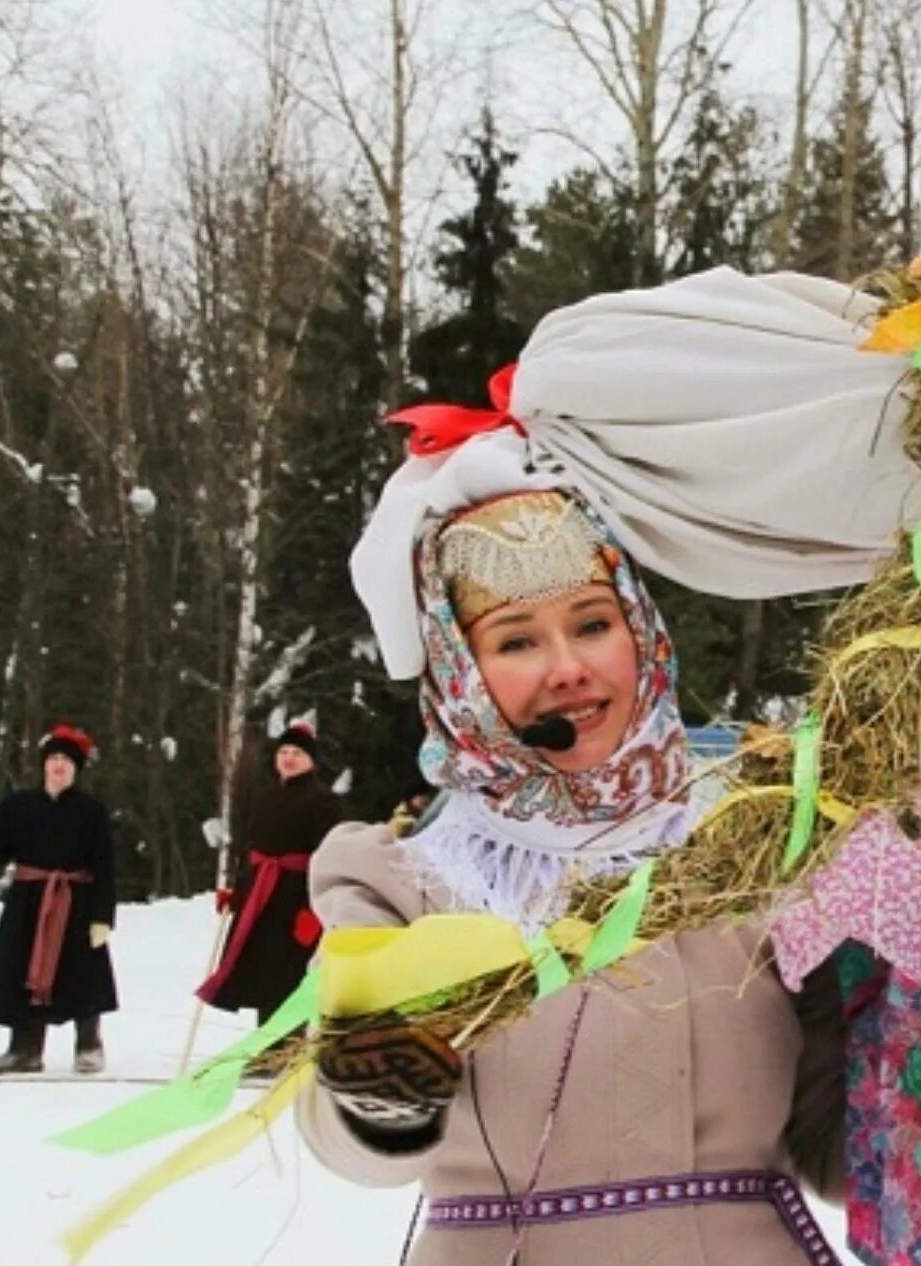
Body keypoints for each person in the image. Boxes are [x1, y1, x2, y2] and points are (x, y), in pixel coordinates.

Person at [297, 487, 844, 1266]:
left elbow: (841, 1147)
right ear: (462, 672)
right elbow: (340, 1138)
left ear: (641, 632)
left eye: (593, 625)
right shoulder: (414, 881)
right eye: (516, 642)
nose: (568, 669)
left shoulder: (754, 860)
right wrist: (380, 1096)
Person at [0, 724, 118, 1075]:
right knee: (24, 971)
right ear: (43, 765)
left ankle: (88, 1045)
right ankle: (24, 1050)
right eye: (53, 758)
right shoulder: (17, 806)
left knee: (82, 973)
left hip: (77, 901)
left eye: (66, 760)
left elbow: (105, 865)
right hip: (28, 902)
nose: (59, 765)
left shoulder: (91, 810)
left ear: (76, 768)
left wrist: (102, 916)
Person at [196, 722, 341, 1025]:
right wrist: (237, 890)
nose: (289, 758)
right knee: (263, 974)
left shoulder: (323, 801)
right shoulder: (263, 797)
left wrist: (316, 909)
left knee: (288, 974)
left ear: (311, 760)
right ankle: (266, 1047)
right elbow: (247, 848)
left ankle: (286, 1047)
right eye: (284, 751)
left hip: (295, 900)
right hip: (260, 898)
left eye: (297, 752)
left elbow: (328, 859)